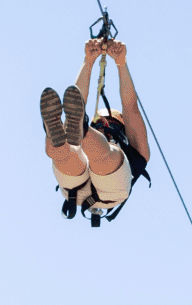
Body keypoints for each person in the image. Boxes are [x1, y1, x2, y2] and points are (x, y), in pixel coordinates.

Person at [38, 38, 150, 226]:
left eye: (109, 122)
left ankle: (81, 129)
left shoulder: (135, 152)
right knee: (69, 150)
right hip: (88, 188)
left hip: (98, 191)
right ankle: (69, 133)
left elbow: (129, 107)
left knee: (103, 154)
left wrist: (114, 63)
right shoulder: (137, 154)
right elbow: (75, 100)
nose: (105, 125)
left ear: (121, 126)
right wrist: (91, 61)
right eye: (102, 123)